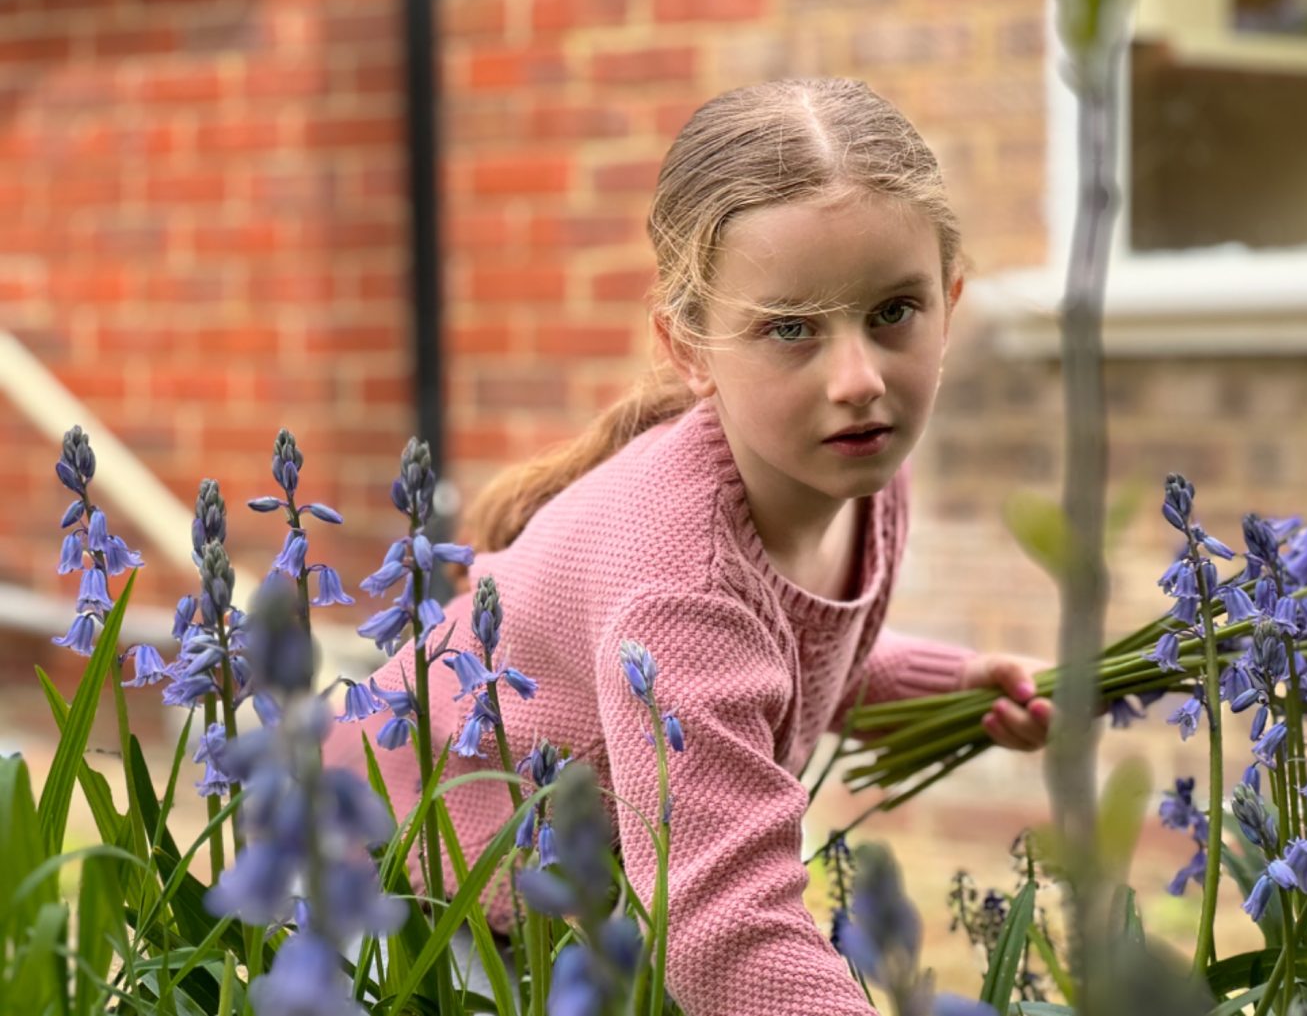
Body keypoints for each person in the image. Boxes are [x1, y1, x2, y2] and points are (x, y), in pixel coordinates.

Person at [325, 75, 1052, 1015]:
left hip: (562, 919)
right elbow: (725, 939)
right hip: (385, 900)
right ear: (690, 346)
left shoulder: (855, 470)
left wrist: (947, 682)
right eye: (789, 329)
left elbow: (769, 656)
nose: (860, 379)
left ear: (950, 301)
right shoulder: (680, 576)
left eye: (893, 311)